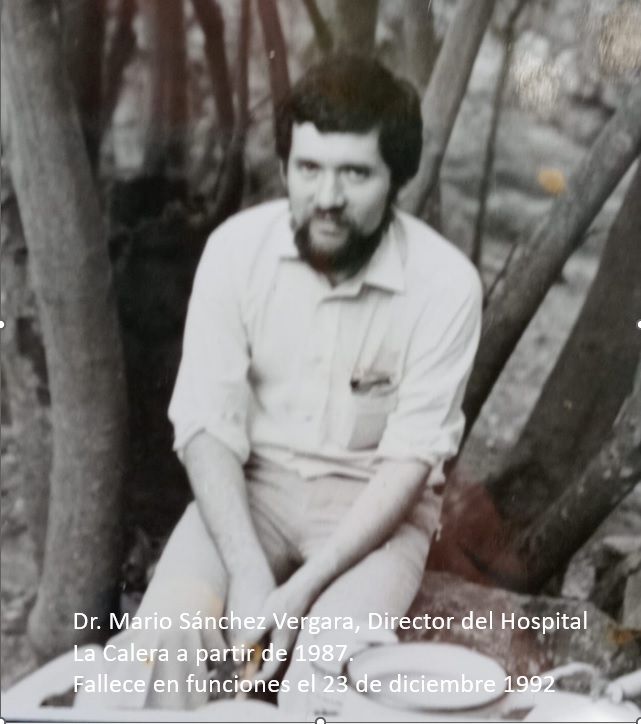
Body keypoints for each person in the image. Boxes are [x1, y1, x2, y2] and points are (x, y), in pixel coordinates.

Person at [88, 53, 482, 713]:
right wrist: (246, 570)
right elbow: (205, 426)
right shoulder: (235, 251)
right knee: (162, 643)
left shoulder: (446, 285)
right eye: (309, 168)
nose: (326, 198)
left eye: (355, 173)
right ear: (285, 166)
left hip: (372, 516)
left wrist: (298, 595)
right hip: (252, 495)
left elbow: (410, 462)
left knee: (324, 679)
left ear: (396, 178)